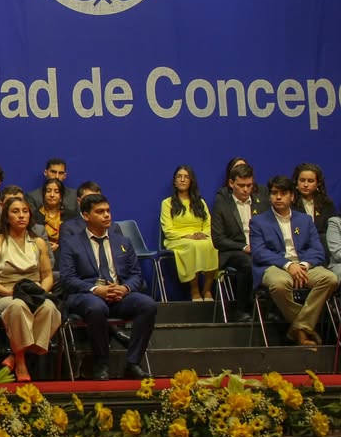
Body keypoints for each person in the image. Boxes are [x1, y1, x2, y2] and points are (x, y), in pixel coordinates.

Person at [60, 193, 156, 380]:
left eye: (108, 211)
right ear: (86, 216)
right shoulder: (72, 244)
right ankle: (101, 364)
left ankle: (133, 362)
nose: (107, 215)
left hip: (119, 294)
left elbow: (136, 274)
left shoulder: (123, 242)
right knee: (97, 307)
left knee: (148, 305)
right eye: (100, 212)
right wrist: (97, 290)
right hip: (87, 294)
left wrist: (125, 288)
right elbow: (67, 279)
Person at [250, 176, 338, 346]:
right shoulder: (258, 221)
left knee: (330, 279)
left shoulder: (304, 220)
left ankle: (300, 328)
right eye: (274, 193)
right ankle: (306, 329)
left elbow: (318, 251)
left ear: (292, 196)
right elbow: (259, 253)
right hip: (274, 266)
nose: (278, 197)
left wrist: (303, 265)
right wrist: (289, 265)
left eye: (283, 193)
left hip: (304, 265)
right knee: (280, 284)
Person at [0, 196, 61, 382]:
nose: (21, 216)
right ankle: (21, 361)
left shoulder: (38, 242)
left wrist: (42, 291)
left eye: (25, 211)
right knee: (18, 306)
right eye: (15, 212)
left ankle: (15, 355)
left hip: (34, 292)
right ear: (6, 217)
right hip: (5, 293)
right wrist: (9, 292)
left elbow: (48, 275)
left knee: (49, 307)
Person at [210, 162, 266, 322]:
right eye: (241, 185)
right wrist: (244, 246)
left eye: (249, 185)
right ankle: (243, 309)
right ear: (231, 183)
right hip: (233, 251)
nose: (246, 190)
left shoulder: (261, 203)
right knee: (247, 263)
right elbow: (218, 240)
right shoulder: (222, 205)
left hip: (260, 248)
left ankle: (269, 307)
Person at [160, 165, 218, 301]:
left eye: (186, 177)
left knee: (213, 246)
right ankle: (195, 291)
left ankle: (207, 289)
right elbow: (168, 229)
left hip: (201, 236)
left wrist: (202, 234)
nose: (182, 180)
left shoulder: (200, 202)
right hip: (178, 239)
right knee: (192, 246)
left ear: (191, 181)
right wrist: (188, 236)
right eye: (179, 177)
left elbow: (208, 224)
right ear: (174, 181)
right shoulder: (167, 203)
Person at [291, 163, 336, 248]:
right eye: (302, 180)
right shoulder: (289, 204)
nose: (305, 185)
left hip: (323, 250)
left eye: (310, 181)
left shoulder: (327, 204)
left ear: (318, 183)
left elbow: (331, 233)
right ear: (296, 182)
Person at [33, 178, 76, 256]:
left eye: (56, 192)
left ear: (61, 196)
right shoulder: (34, 215)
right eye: (48, 191)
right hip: (39, 255)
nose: (52, 195)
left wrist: (60, 246)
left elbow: (75, 241)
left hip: (64, 256)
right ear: (44, 194)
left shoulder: (71, 216)